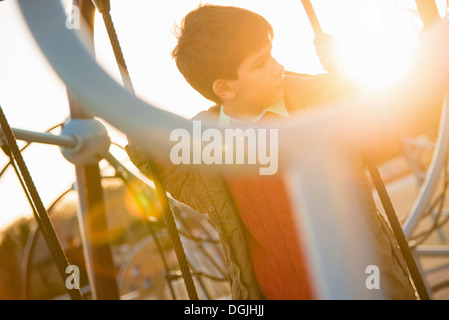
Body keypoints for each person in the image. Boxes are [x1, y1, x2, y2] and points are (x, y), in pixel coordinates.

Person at [126, 4, 419, 299]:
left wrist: (348, 78)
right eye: (260, 63)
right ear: (225, 88)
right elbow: (153, 159)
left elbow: (382, 139)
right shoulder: (204, 145)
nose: (278, 67)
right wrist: (132, 120)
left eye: (271, 53)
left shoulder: (318, 98)